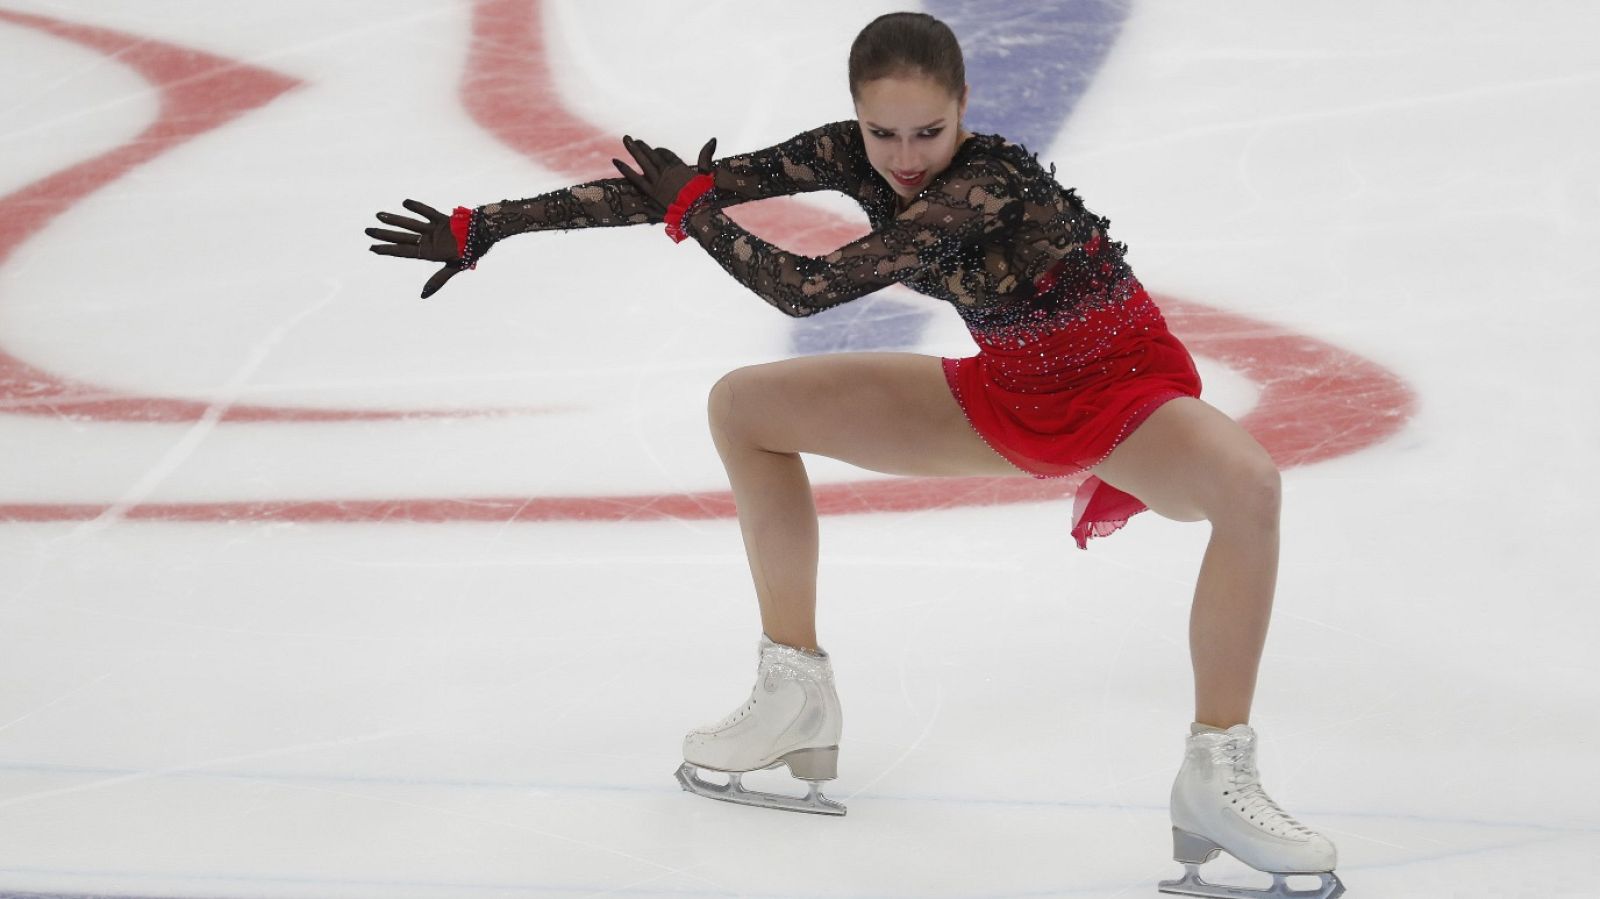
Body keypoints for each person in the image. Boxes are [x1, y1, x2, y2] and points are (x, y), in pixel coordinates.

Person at [366, 12, 1344, 899]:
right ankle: (793, 692)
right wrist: (487, 226)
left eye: (929, 132)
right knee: (745, 408)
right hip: (1004, 395)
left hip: (1123, 395)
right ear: (857, 117)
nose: (907, 158)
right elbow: (667, 190)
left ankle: (1217, 771)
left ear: (965, 108)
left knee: (1248, 487)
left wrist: (695, 216)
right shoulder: (847, 153)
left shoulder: (987, 183)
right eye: (885, 134)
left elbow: (807, 289)